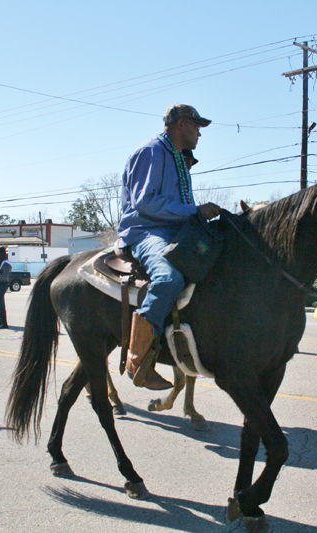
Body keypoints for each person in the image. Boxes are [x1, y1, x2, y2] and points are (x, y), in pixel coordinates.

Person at [117, 104, 221, 390]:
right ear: (180, 125)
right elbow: (145, 202)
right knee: (169, 278)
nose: (200, 133)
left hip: (173, 229)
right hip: (145, 231)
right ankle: (139, 360)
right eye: (196, 125)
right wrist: (194, 211)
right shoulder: (151, 152)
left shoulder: (177, 157)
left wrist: (198, 215)